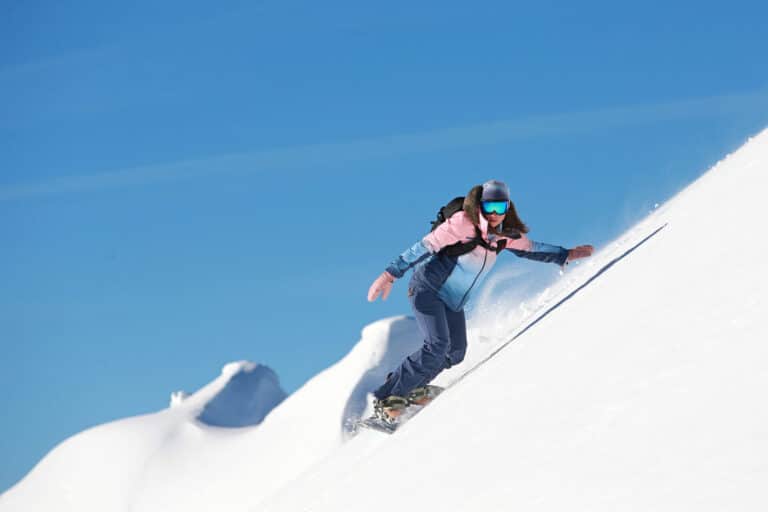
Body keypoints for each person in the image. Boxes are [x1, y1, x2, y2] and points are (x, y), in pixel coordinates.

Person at [366, 180, 594, 421]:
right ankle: (387, 397)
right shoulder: (463, 223)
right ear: (480, 205)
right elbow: (424, 246)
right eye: (489, 207)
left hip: (452, 299)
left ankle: (412, 387)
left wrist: (565, 254)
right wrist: (390, 274)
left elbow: (532, 248)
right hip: (428, 289)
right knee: (437, 345)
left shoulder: (504, 235)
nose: (494, 214)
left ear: (508, 208)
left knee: (455, 352)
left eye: (500, 207)